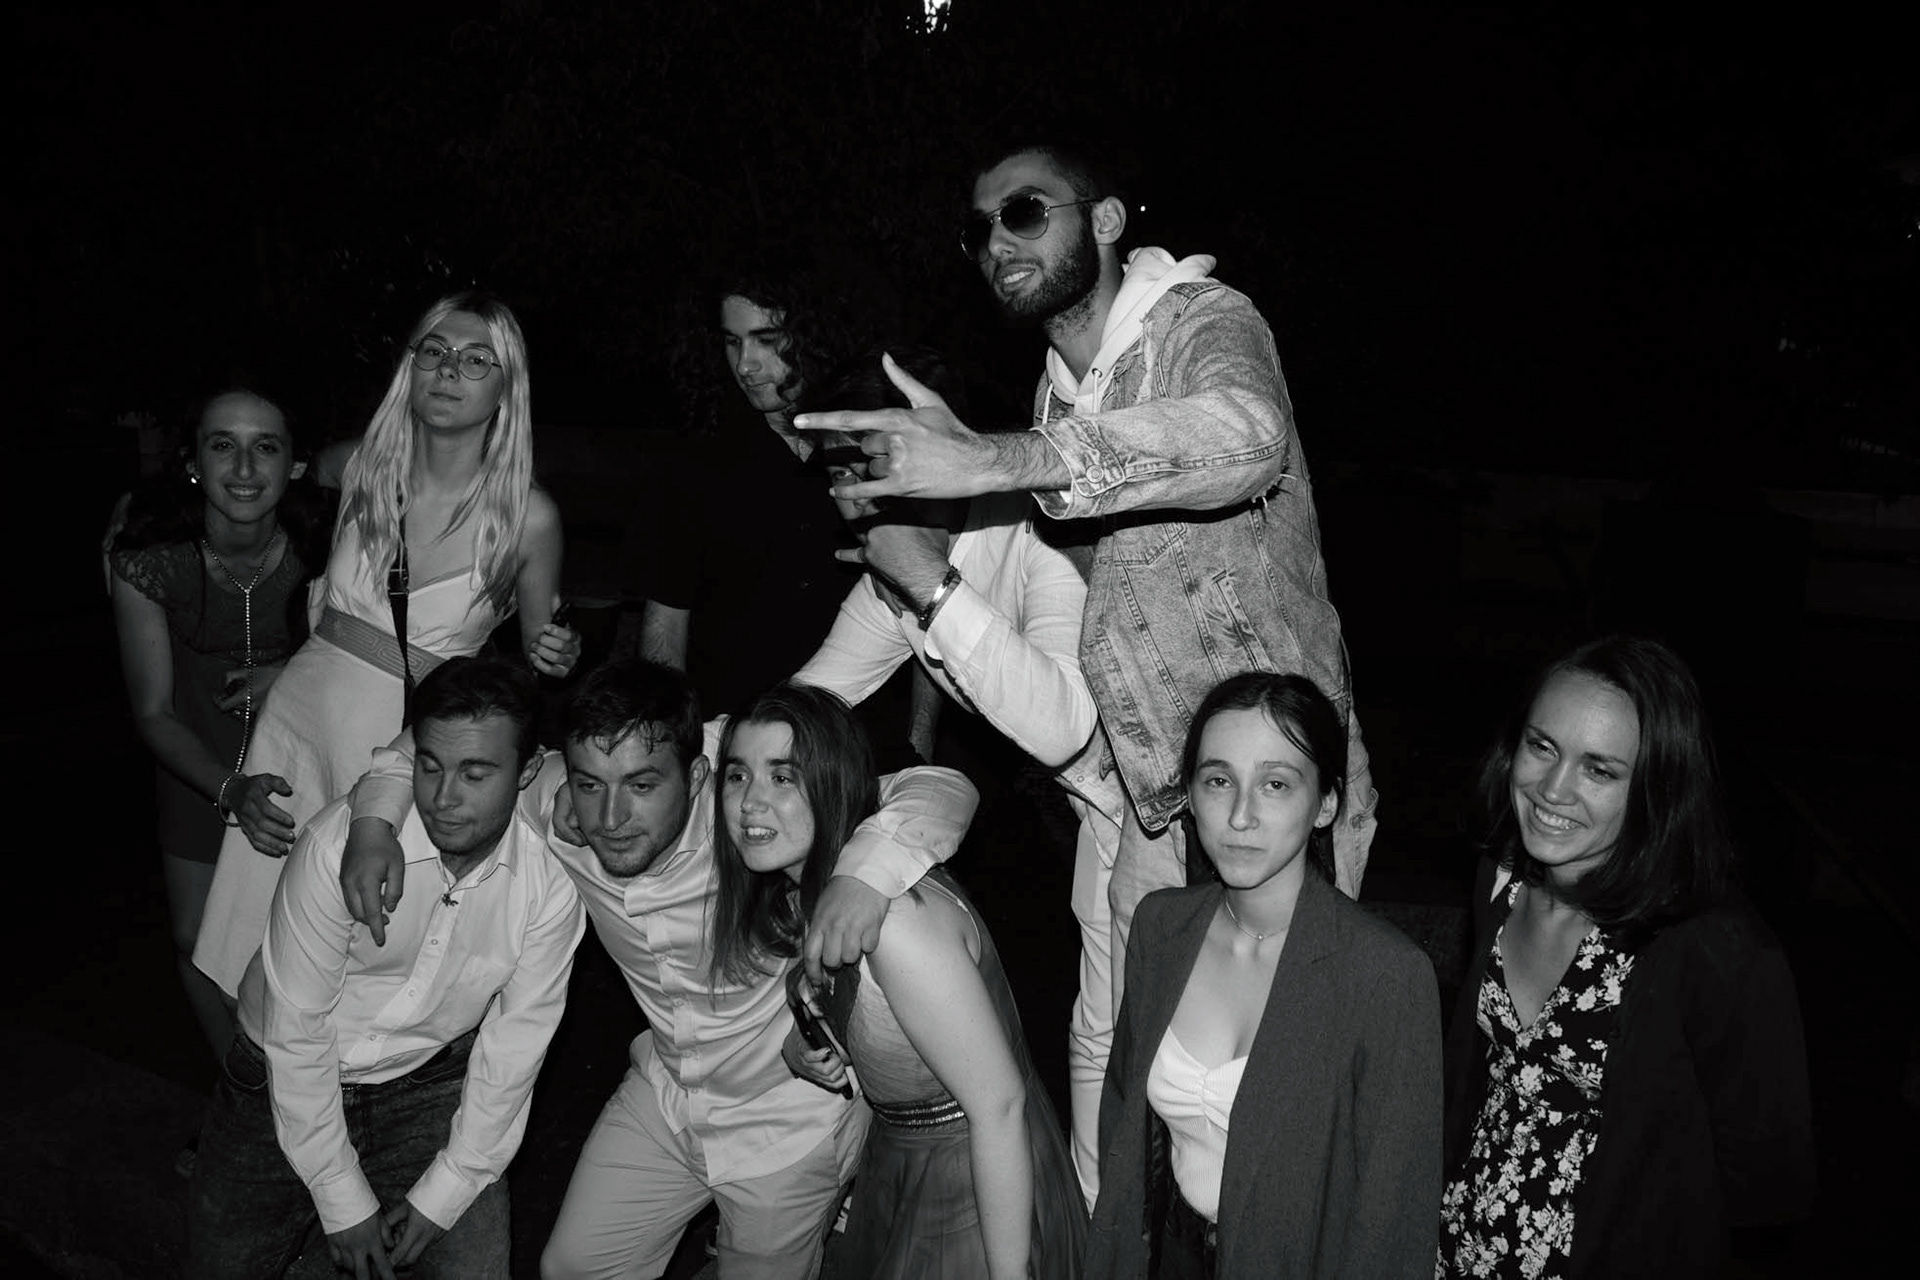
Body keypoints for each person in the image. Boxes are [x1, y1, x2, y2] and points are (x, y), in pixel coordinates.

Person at [796, 141, 1377, 1014]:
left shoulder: (1200, 320)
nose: (998, 242)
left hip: (1272, 769)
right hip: (1155, 790)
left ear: (1104, 221)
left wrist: (993, 463)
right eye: (979, 230)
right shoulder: (1057, 395)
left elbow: (1249, 436)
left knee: (1272, 1059)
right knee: (1142, 1056)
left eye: (1024, 212)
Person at [337, 658, 977, 1279]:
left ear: (696, 777)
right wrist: (372, 825)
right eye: (591, 785)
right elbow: (426, 744)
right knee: (572, 1268)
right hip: (667, 1094)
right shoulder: (558, 795)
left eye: (642, 786)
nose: (610, 819)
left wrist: (866, 874)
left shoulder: (747, 807)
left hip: (790, 1115)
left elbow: (942, 788)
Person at [794, 345, 1123, 1206]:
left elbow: (1062, 725)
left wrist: (928, 583)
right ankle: (1093, 1240)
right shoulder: (891, 577)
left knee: (1187, 1058)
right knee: (1097, 1045)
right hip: (1101, 824)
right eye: (838, 475)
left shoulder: (1036, 532)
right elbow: (803, 709)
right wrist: (677, 759)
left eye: (870, 466)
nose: (851, 498)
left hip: (1192, 809)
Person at [193, 290, 582, 999]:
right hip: (298, 732)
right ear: (411, 366)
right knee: (251, 966)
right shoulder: (356, 467)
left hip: (404, 750)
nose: (448, 370)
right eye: (434, 351)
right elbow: (253, 499)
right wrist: (150, 520)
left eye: (476, 359)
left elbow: (535, 662)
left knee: (361, 973)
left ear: (507, 387)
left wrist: (560, 654)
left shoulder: (529, 516)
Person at [187, 656, 585, 1280]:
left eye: (475, 773)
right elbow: (297, 1033)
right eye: (429, 766)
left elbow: (515, 1047)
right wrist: (342, 1200)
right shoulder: (337, 848)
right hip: (278, 1078)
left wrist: (447, 1191)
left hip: (429, 1085)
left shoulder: (549, 881)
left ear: (528, 770)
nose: (444, 798)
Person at [1437, 636, 1815, 1278]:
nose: (1553, 789)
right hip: (1458, 1248)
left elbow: (1766, 1187)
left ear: (1657, 790)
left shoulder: (1716, 949)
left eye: (1600, 770)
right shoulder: (1502, 878)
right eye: (1542, 746)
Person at [711, 682, 1085, 1280]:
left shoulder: (894, 924)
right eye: (738, 775)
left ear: (833, 783)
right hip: (901, 1159)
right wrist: (802, 1045)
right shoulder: (820, 889)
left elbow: (1000, 1107)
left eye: (782, 777)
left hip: (975, 1179)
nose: (751, 802)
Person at [1087, 673, 1440, 1279]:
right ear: (1189, 795)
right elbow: (1123, 1120)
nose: (1240, 816)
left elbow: (1393, 1219)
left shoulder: (1384, 976)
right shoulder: (1161, 927)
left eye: (1275, 784)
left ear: (1325, 803)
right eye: (1218, 780)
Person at [109, 384, 326, 1056]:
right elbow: (153, 711)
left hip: (303, 756)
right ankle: (238, 1091)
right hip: (196, 755)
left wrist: (289, 672)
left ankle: (306, 1090)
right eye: (223, 445)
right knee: (196, 940)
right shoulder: (152, 562)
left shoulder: (327, 548)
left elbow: (378, 651)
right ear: (193, 462)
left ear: (296, 464)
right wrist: (229, 789)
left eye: (267, 447)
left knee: (298, 940)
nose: (244, 468)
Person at [638, 256, 921, 764]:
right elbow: (665, 623)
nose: (745, 364)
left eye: (765, 339)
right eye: (732, 341)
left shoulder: (874, 443)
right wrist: (667, 751)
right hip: (732, 740)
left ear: (811, 335)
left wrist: (921, 741)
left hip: (864, 745)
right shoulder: (696, 461)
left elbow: (926, 602)